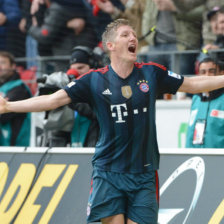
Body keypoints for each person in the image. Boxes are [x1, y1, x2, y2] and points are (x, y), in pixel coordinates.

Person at [1, 18, 224, 223]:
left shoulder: (152, 73)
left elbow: (192, 84)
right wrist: (9, 106)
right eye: (125, 35)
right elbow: (52, 100)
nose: (133, 38)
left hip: (144, 174)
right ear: (111, 46)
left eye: (134, 35)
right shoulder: (94, 80)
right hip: (108, 173)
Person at [36, 45, 101, 147]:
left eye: (80, 68)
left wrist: (70, 98)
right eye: (72, 69)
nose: (75, 73)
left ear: (93, 67)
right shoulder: (69, 90)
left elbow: (97, 113)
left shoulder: (104, 86)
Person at [186, 57, 224, 148]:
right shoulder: (196, 98)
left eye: (211, 71)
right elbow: (190, 131)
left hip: (219, 158)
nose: (206, 75)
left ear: (221, 74)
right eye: (203, 72)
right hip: (196, 156)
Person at [0, 51, 32, 146]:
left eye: (3, 63)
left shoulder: (20, 88)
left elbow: (4, 115)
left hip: (15, 147)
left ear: (13, 66)